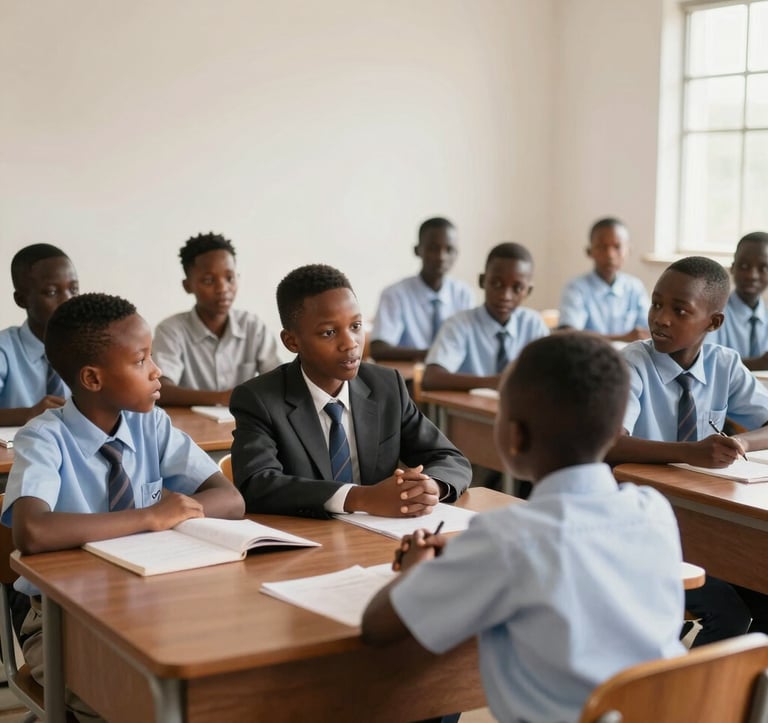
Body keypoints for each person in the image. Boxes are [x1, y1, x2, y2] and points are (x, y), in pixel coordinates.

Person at [361, 333, 685, 723]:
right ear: (618, 428)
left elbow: (379, 626)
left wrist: (417, 569)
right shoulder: (653, 511)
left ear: (513, 436)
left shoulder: (507, 538)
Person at [1, 293, 244, 722]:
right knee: (139, 704)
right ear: (93, 379)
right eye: (141, 361)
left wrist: (172, 513)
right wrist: (150, 518)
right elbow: (32, 532)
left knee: (223, 686)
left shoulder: (150, 422)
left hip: (152, 605)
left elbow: (229, 498)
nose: (158, 372)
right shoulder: (43, 438)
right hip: (62, 623)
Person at [605, 256, 768, 646]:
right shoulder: (633, 363)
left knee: (763, 597)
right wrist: (690, 452)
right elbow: (609, 443)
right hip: (636, 528)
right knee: (728, 611)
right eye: (656, 304)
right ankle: (690, 702)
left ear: (713, 323)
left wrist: (743, 441)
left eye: (679, 310)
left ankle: (735, 703)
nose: (661, 318)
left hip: (702, 521)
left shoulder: (724, 364)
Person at [230, 264, 472, 518]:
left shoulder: (386, 386)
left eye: (356, 326)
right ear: (292, 341)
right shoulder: (259, 399)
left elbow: (450, 458)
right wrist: (361, 498)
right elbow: (256, 484)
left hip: (378, 538)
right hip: (309, 541)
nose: (350, 344)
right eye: (329, 332)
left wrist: (431, 486)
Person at [153, 232, 281, 406]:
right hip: (191, 427)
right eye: (208, 280)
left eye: (229, 278)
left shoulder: (253, 326)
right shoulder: (171, 330)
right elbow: (161, 389)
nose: (222, 288)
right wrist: (222, 398)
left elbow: (278, 381)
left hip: (243, 423)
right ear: (188, 286)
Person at [421, 242, 548, 391]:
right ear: (482, 281)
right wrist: (496, 383)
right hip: (470, 412)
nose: (505, 296)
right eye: (497, 283)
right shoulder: (459, 324)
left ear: (528, 291)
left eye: (517, 288)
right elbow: (432, 378)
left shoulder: (533, 324)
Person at [370, 218, 474, 362]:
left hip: (451, 376)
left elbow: (469, 345)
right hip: (408, 377)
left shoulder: (463, 294)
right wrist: (435, 354)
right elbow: (379, 349)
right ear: (417, 250)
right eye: (433, 248)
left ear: (457, 253)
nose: (441, 257)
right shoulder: (395, 294)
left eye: (449, 250)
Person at [0, 243, 79, 426]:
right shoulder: (4, 350)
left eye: (73, 289)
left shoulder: (88, 346)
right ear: (21, 300)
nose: (67, 300)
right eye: (52, 292)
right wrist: (30, 413)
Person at [558, 217, 650, 342]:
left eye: (617, 247)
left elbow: (648, 331)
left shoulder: (635, 287)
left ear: (628, 250)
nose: (610, 255)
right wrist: (623, 338)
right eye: (601, 247)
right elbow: (568, 334)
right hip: (588, 357)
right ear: (589, 252)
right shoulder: (576, 288)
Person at [710, 231, 768, 370]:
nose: (752, 275)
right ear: (732, 268)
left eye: (763, 268)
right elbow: (707, 363)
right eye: (744, 266)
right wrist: (757, 364)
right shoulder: (713, 314)